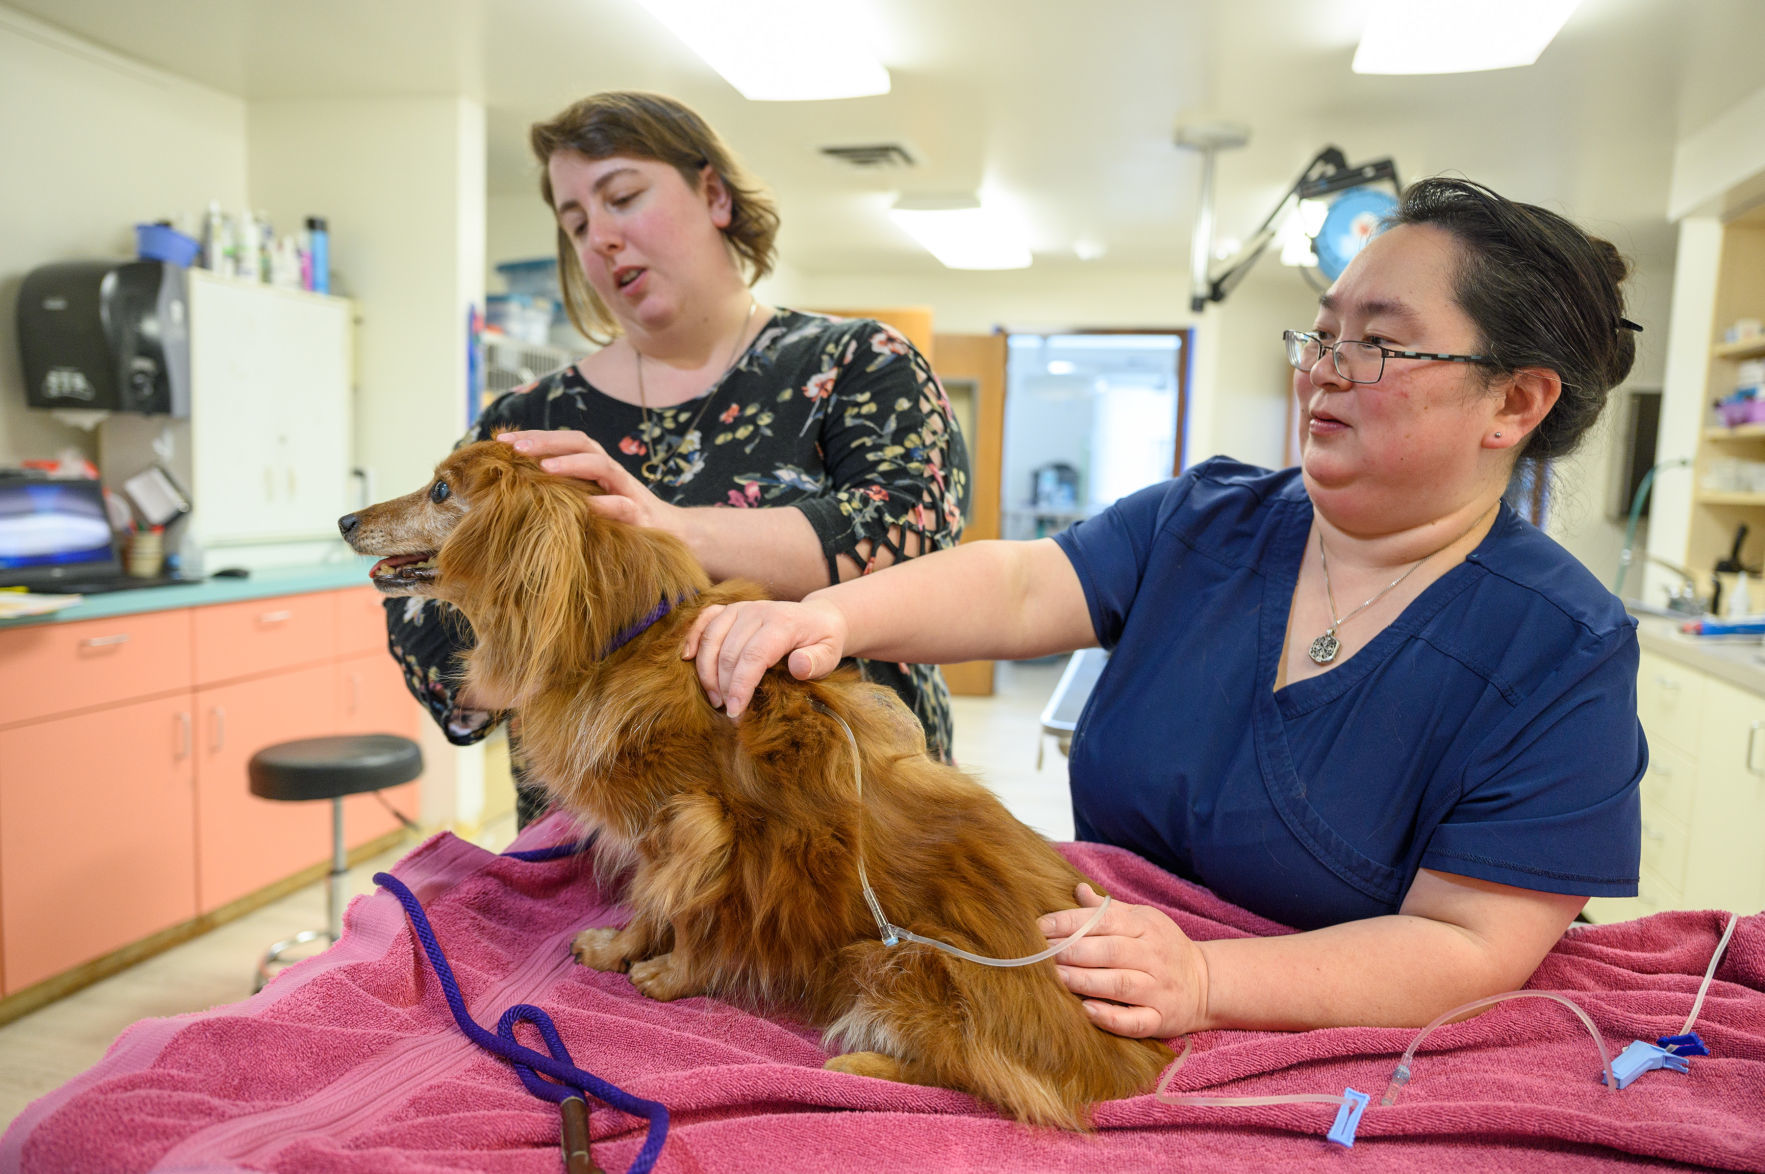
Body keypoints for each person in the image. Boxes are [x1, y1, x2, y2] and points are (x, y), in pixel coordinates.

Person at [682, 177, 1646, 1039]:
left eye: (1379, 343)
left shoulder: (1561, 650)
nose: (1322, 367)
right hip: (1100, 976)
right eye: (1322, 333)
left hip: (1315, 1041)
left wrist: (1206, 979)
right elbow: (1021, 584)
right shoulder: (1204, 521)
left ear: (1513, 404)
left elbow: (1468, 943)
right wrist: (830, 617)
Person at [384, 91, 968, 826]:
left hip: (837, 824)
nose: (600, 238)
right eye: (576, 223)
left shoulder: (858, 364)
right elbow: (421, 618)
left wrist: (669, 530)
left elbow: (910, 532)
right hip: (602, 845)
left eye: (622, 197)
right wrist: (556, 636)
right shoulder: (529, 421)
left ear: (714, 195)